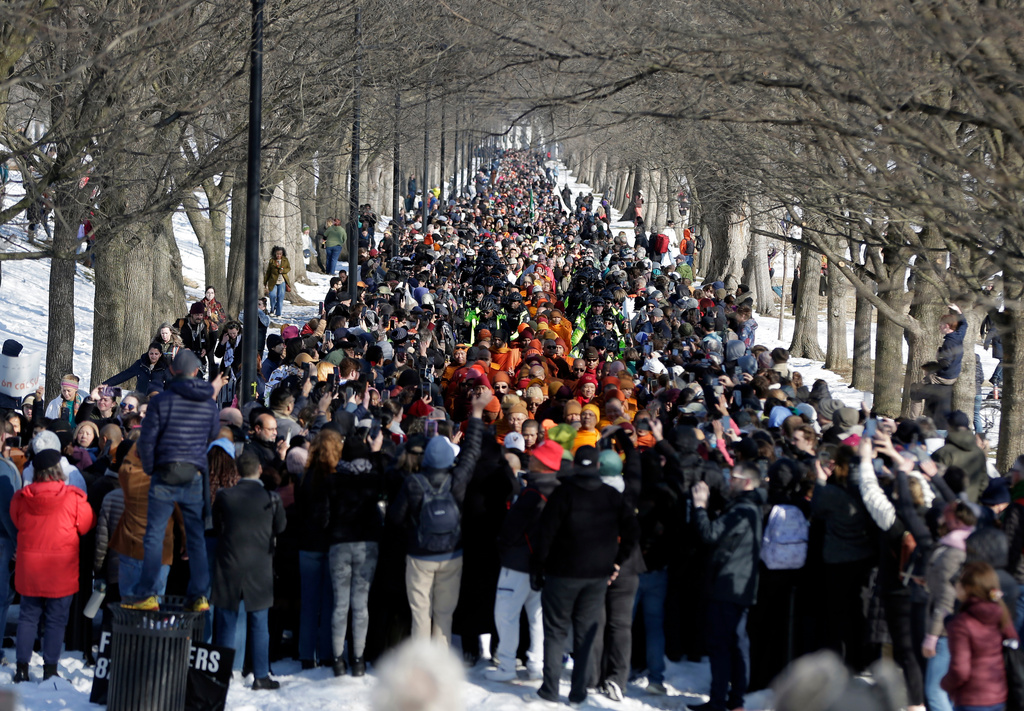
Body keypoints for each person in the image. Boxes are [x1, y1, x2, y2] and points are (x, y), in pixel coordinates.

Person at [531, 445, 638, 707]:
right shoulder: (612, 495)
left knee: (555, 632)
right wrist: (617, 561)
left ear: (576, 466)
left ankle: (550, 687)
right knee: (585, 633)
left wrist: (538, 567)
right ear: (598, 467)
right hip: (596, 576)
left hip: (561, 574)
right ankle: (578, 691)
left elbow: (544, 535)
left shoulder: (562, 493)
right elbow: (633, 531)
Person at [388, 388, 488, 648]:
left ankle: (421, 662)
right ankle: (440, 661)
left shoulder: (413, 483)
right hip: (451, 554)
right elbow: (472, 452)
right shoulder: (457, 481)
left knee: (420, 612)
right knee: (443, 614)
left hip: (420, 554)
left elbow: (396, 519)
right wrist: (476, 413)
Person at [125, 350, 220, 611]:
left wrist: (151, 467)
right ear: (196, 372)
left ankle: (148, 594)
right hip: (193, 473)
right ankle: (200, 595)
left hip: (164, 473)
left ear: (174, 371)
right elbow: (212, 434)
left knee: (154, 536)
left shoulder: (161, 401)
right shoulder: (208, 403)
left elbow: (147, 440)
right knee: (196, 536)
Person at [11, 448, 95, 682]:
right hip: (61, 569)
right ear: (60, 469)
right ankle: (50, 669)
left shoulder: (23, 497)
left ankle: (22, 668)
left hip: (30, 569)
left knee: (28, 617)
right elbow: (86, 525)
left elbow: (16, 520)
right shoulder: (72, 497)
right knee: (57, 620)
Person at [689, 463, 768, 711]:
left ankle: (720, 701)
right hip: (741, 584)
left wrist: (700, 507)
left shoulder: (742, 509)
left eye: (733, 477)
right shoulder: (753, 506)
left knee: (722, 644)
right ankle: (735, 702)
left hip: (728, 585)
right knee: (737, 643)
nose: (728, 481)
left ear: (746, 482)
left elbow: (711, 533)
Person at [211, 449, 287, 690]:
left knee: (226, 618)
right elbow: (281, 527)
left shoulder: (224, 496)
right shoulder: (271, 498)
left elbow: (216, 525)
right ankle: (261, 674)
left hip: (229, 562)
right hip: (260, 565)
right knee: (259, 621)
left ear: (237, 472)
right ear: (260, 470)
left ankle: (222, 673)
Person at [941, 561, 1018, 711]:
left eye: (959, 582)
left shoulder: (962, 623)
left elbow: (960, 670)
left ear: (967, 588)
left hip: (972, 698)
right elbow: (1013, 641)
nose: (956, 585)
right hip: (998, 695)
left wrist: (945, 684)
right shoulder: (1000, 613)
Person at [264, 245, 292, 317]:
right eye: (277, 254)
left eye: (280, 254)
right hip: (273, 281)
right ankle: (272, 309)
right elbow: (268, 272)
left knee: (280, 297)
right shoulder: (272, 261)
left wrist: (283, 271)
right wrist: (265, 282)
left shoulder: (285, 260)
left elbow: (288, 268)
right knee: (272, 295)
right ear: (274, 254)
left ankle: (278, 313)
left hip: (282, 281)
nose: (278, 255)